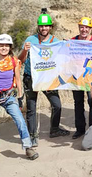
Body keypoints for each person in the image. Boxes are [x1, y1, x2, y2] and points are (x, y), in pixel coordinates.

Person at [0, 34, 38, 165]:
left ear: (10, 47)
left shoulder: (14, 61)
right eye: (1, 45)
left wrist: (19, 97)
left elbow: (18, 80)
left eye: (6, 46)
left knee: (19, 120)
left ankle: (28, 147)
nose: (4, 48)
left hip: (8, 96)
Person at [18, 10, 69, 147]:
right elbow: (20, 61)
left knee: (57, 105)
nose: (44, 28)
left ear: (51, 27)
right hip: (31, 78)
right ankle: (32, 136)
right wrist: (25, 51)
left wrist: (66, 46)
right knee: (31, 108)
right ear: (38, 27)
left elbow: (62, 58)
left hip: (48, 78)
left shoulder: (55, 41)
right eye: (41, 26)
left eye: (46, 26)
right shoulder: (30, 40)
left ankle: (54, 129)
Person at [71, 16, 92, 139]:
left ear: (90, 29)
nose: (84, 30)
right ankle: (80, 129)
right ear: (79, 27)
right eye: (82, 27)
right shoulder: (73, 40)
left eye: (87, 27)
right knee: (78, 102)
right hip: (76, 77)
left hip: (90, 78)